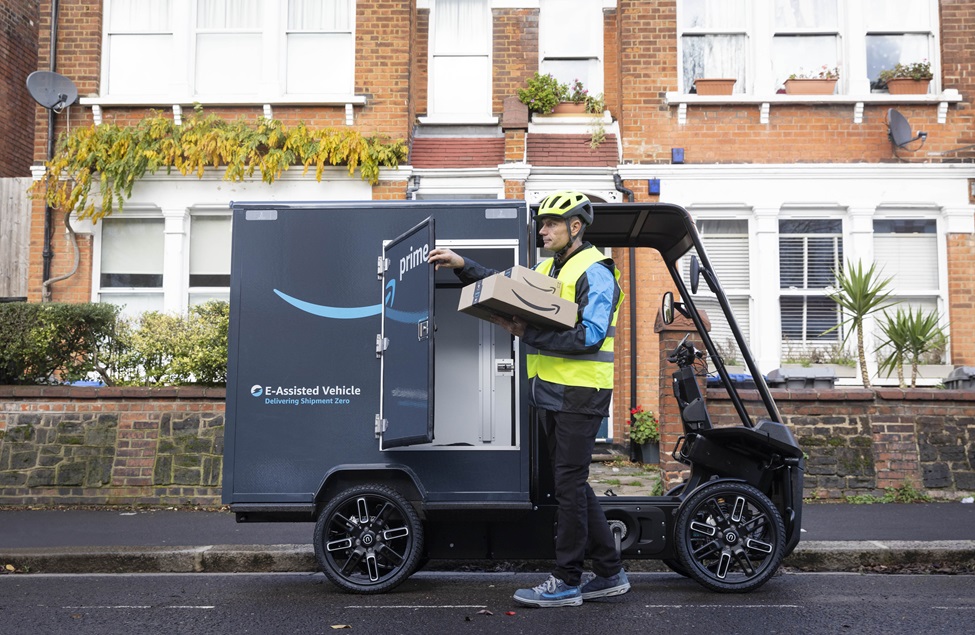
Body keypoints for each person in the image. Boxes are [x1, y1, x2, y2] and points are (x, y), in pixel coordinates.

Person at [428, 190, 629, 608]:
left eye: (552, 223)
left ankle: (567, 580)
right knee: (571, 482)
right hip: (552, 393)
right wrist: (463, 265)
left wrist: (527, 333)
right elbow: (505, 287)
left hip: (581, 393)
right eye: (543, 222)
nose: (543, 229)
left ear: (576, 227)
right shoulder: (548, 267)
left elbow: (591, 336)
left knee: (569, 485)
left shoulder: (597, 271)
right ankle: (610, 572)